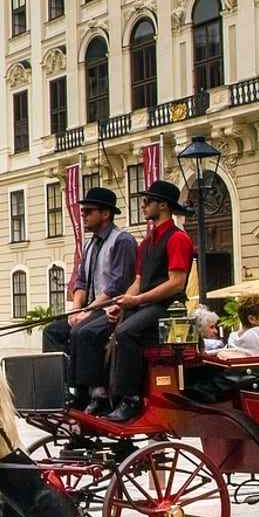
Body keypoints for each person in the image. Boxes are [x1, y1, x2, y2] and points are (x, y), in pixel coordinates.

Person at [102, 180, 196, 423]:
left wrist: (137, 299)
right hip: (146, 304)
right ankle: (106, 395)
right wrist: (121, 302)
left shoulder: (178, 239)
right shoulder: (146, 242)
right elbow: (138, 280)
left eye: (147, 202)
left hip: (167, 308)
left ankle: (131, 398)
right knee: (108, 332)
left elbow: (176, 282)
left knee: (126, 332)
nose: (142, 206)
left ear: (162, 205)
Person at [42, 187, 137, 410]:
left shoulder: (122, 241)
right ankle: (65, 386)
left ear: (105, 214)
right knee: (52, 331)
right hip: (90, 309)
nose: (82, 215)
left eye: (88, 211)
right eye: (83, 211)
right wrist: (76, 310)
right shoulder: (89, 243)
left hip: (113, 309)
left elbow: (117, 285)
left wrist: (86, 312)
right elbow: (81, 282)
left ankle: (96, 392)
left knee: (82, 332)